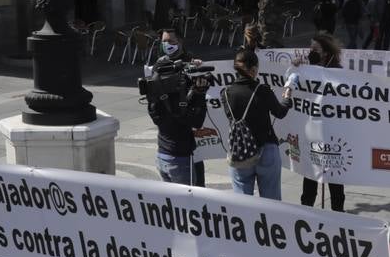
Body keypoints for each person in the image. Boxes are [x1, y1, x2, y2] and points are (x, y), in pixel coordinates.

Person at [222, 48, 291, 200]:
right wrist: (287, 98)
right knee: (271, 202)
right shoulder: (263, 90)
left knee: (242, 201)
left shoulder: (226, 92)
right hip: (266, 149)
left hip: (240, 152)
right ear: (253, 69)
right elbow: (280, 113)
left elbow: (231, 117)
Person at [146, 28, 208, 187]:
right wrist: (199, 94)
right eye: (164, 42)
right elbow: (196, 119)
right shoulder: (159, 66)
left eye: (171, 41)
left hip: (173, 149)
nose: (167, 45)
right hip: (177, 152)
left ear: (180, 42)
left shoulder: (189, 63)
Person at [297, 32, 345, 212]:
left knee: (335, 179)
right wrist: (297, 69)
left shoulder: (338, 73)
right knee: (309, 176)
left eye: (315, 49)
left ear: (325, 52)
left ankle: (338, 213)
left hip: (333, 136)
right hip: (313, 135)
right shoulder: (307, 70)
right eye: (310, 49)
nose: (311, 52)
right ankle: (307, 210)